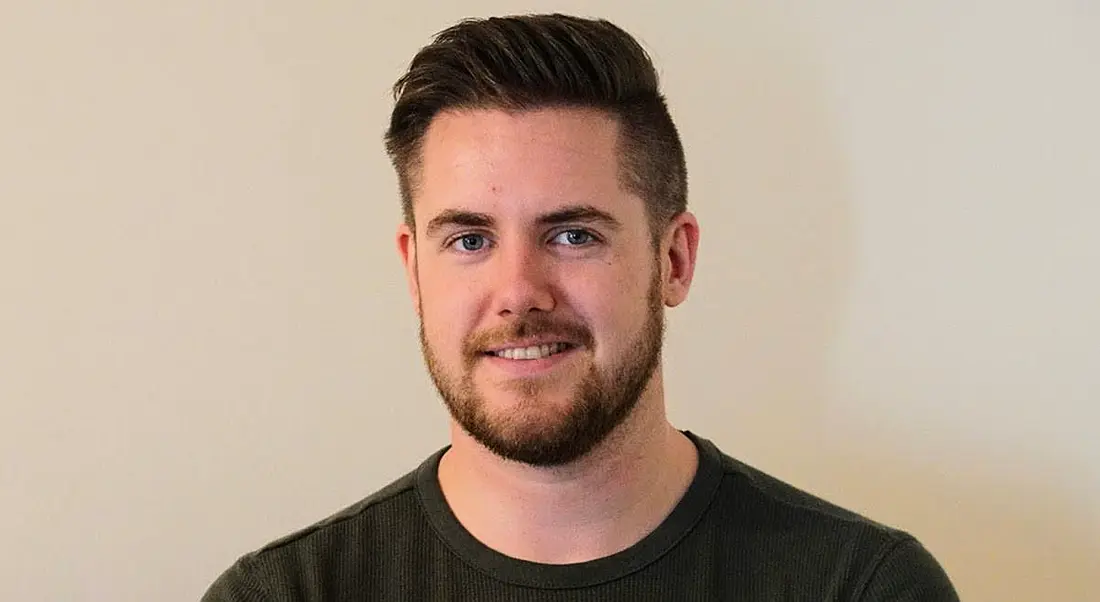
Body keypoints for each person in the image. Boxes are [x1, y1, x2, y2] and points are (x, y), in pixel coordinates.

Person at [202, 13, 959, 601]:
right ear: (414, 273)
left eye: (572, 234)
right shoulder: (286, 593)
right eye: (468, 240)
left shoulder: (859, 587)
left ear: (674, 259)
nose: (520, 292)